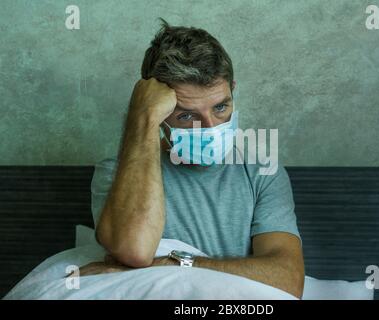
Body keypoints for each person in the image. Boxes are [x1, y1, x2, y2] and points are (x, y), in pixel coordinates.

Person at [81, 18, 304, 298]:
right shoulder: (115, 172)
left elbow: (287, 280)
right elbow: (134, 251)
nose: (211, 128)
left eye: (221, 107)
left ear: (233, 89)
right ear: (160, 113)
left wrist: (172, 265)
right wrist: (142, 116)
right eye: (186, 115)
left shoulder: (262, 172)